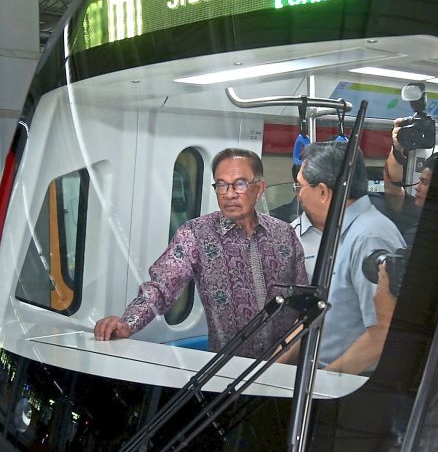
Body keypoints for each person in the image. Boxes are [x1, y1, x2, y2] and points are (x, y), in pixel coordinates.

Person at [93, 147, 308, 359]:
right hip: (226, 372)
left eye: (240, 184)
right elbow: (161, 287)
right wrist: (127, 322)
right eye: (221, 185)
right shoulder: (196, 234)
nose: (229, 194)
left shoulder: (284, 234)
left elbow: (303, 301)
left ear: (260, 188)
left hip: (286, 368)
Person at [292, 140, 405, 374]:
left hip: (350, 381)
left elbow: (382, 335)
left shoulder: (369, 238)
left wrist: (321, 385)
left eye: (300, 187)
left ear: (323, 192)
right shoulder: (339, 232)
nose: (298, 196)